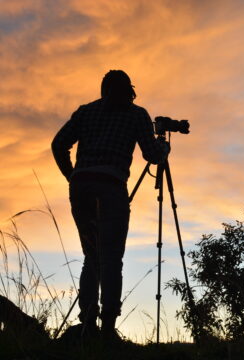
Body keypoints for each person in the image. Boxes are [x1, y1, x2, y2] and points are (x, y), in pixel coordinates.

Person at [51, 70, 168, 341]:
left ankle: (88, 324)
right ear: (129, 90)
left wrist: (73, 176)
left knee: (92, 257)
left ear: (103, 90)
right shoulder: (136, 113)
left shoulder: (86, 111)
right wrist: (165, 149)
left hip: (81, 187)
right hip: (111, 187)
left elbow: (58, 145)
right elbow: (151, 155)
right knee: (111, 258)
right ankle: (107, 328)